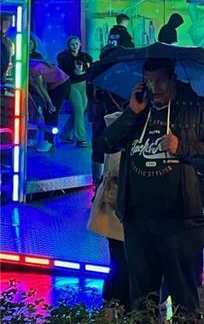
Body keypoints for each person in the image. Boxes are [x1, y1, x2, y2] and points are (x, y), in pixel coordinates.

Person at [98, 57, 204, 314]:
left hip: (181, 222)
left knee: (185, 301)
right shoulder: (137, 109)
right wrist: (131, 113)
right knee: (142, 301)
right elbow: (107, 143)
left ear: (173, 78)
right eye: (148, 81)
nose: (154, 88)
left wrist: (183, 148)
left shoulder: (199, 108)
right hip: (137, 221)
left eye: (160, 81)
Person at [87, 112, 130, 311]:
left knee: (119, 265)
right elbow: (114, 170)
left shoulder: (114, 124)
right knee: (122, 267)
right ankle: (115, 310)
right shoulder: (120, 127)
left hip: (121, 212)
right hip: (121, 211)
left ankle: (113, 309)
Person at [29, 46, 71, 153]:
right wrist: (46, 101)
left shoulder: (34, 69)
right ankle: (47, 140)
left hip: (62, 84)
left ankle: (49, 141)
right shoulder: (32, 67)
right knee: (48, 111)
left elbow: (41, 88)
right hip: (55, 85)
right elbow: (38, 88)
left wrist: (50, 102)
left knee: (52, 111)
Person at [57, 36, 93, 147]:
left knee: (80, 112)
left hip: (83, 85)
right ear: (68, 45)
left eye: (77, 44)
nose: (75, 46)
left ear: (80, 44)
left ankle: (65, 134)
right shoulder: (64, 57)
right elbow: (63, 73)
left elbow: (90, 70)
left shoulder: (85, 57)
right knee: (78, 109)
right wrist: (74, 73)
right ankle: (81, 138)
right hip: (70, 85)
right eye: (72, 44)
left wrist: (82, 73)